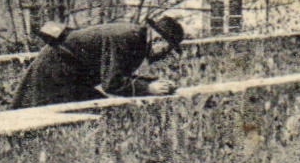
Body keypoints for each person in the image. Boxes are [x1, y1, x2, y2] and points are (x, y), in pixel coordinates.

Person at [11, 16, 185, 109]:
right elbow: (112, 83)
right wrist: (148, 88)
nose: (165, 52)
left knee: (104, 111)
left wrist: (151, 83)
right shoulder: (127, 37)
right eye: (167, 46)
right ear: (156, 37)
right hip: (55, 73)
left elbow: (118, 75)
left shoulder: (137, 39)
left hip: (72, 76)